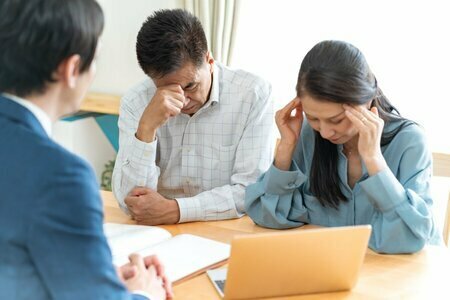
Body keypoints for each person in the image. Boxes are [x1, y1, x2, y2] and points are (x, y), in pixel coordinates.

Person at [0, 0, 172, 299]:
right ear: (71, 69)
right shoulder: (60, 176)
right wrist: (145, 293)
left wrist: (96, 276)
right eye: (95, 61)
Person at [245, 40, 442, 254]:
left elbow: (412, 238)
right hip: (331, 271)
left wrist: (374, 161)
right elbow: (267, 217)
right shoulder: (309, 135)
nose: (325, 132)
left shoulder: (409, 142)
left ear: (367, 101)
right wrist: (285, 149)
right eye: (313, 118)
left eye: (337, 120)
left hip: (402, 277)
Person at [112, 9, 274, 225]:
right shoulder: (136, 101)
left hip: (225, 229)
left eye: (190, 86)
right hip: (157, 232)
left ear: (209, 59)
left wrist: (177, 210)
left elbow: (250, 191)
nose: (183, 101)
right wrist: (146, 129)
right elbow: (129, 201)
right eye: (167, 89)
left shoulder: (253, 94)